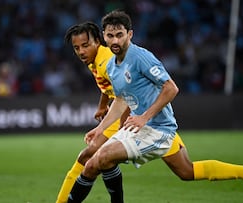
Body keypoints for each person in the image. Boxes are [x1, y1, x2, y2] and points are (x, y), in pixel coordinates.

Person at [67, 10, 243, 203]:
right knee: (186, 171)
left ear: (130, 34)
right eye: (110, 36)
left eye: (120, 35)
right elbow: (121, 100)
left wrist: (144, 117)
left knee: (103, 157)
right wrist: (101, 128)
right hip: (139, 126)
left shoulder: (140, 57)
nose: (115, 41)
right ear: (104, 36)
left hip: (157, 129)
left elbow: (171, 88)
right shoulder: (112, 65)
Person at [56, 22, 187, 203]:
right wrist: (102, 106)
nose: (81, 51)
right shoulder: (95, 60)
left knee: (94, 157)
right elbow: (111, 88)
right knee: (187, 171)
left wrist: (120, 128)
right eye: (76, 48)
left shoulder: (106, 61)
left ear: (98, 41)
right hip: (135, 117)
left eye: (85, 46)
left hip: (142, 120)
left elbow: (126, 95)